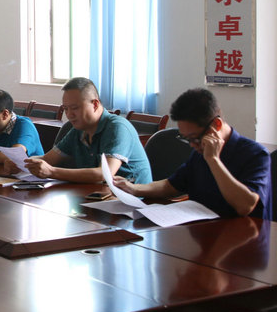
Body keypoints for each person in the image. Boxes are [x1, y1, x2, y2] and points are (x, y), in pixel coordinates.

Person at [113, 88, 271, 219]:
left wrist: (214, 160)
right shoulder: (199, 152)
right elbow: (171, 185)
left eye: (195, 138)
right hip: (203, 231)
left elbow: (245, 206)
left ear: (216, 124)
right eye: (186, 139)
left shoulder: (255, 154)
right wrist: (134, 189)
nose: (192, 145)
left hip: (244, 236)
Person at [9, 77, 152, 184]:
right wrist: (21, 162)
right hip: (97, 196)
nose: (69, 114)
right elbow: (48, 160)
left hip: (133, 202)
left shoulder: (117, 127)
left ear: (95, 104)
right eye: (66, 109)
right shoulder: (78, 129)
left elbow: (104, 174)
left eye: (75, 108)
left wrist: (52, 172)